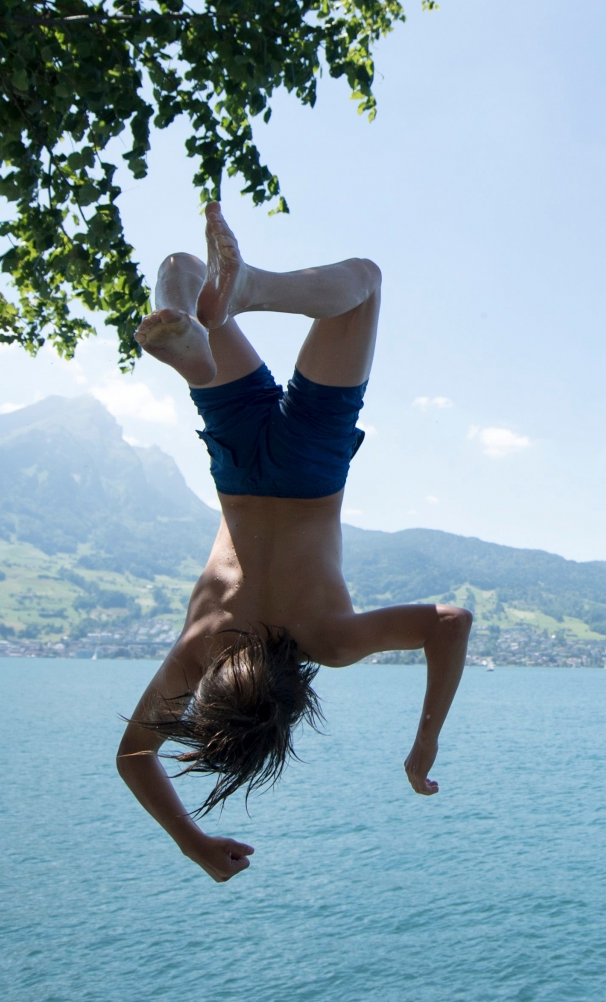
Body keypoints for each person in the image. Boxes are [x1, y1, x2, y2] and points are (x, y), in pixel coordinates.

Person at [115, 203, 471, 882]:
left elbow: (451, 622)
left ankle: (250, 289)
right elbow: (135, 756)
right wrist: (190, 841)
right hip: (239, 464)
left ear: (287, 705)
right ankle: (194, 340)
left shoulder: (328, 639)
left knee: (363, 283)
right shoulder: (201, 646)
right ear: (218, 693)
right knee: (181, 271)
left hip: (311, 469)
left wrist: (425, 740)